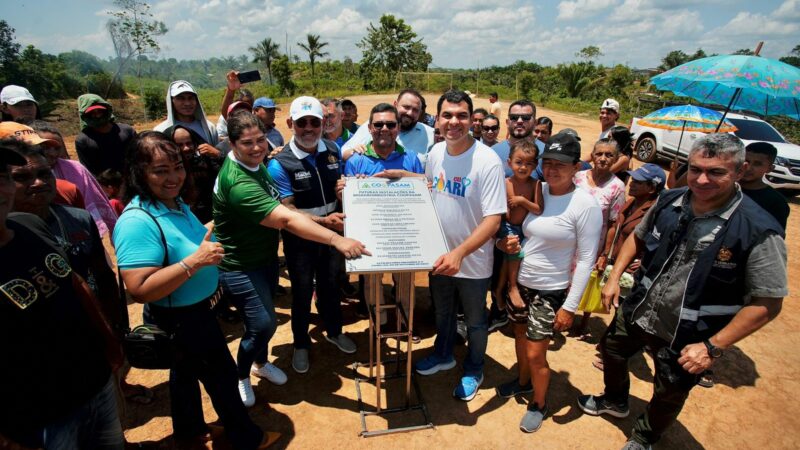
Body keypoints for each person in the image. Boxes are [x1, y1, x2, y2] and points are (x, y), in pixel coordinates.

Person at [578, 134, 787, 450]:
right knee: (612, 351)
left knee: (670, 388)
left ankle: (644, 437)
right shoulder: (668, 201)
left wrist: (711, 347)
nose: (702, 179)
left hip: (691, 333)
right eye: (695, 169)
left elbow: (768, 302)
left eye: (716, 172)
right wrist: (613, 277)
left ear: (741, 171)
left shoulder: (759, 229)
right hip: (640, 309)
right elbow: (638, 237)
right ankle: (615, 399)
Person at [113, 132, 281, 449]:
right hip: (179, 319)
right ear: (139, 172)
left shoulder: (173, 204)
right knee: (223, 378)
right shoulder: (137, 221)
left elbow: (189, 240)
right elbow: (140, 288)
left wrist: (220, 221)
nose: (173, 177)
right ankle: (247, 438)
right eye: (160, 170)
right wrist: (195, 261)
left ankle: (190, 433)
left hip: (194, 313)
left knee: (184, 378)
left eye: (177, 167)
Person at [214, 110, 368, 404]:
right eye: (247, 142)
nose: (257, 147)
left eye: (260, 139)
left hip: (266, 256)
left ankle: (262, 362)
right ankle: (243, 373)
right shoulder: (245, 178)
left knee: (325, 289)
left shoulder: (258, 164)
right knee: (266, 321)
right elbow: (285, 217)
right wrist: (335, 236)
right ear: (232, 144)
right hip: (244, 262)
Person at [0, 139, 124, 450]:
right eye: (21, 177)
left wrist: (111, 345)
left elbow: (77, 285)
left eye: (1, 178)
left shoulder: (28, 226)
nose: (37, 183)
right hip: (40, 414)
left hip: (94, 381)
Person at [496, 131, 602, 433]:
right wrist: (505, 246)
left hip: (550, 290)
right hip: (521, 284)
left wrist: (569, 306)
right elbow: (515, 226)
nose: (553, 169)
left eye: (562, 164)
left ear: (577, 168)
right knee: (519, 337)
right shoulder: (536, 189)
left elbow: (585, 259)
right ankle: (523, 383)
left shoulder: (585, 205)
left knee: (535, 352)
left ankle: (540, 403)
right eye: (549, 162)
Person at [414, 90, 506, 402]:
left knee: (476, 321)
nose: (454, 121)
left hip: (474, 262)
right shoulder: (437, 152)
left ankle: (474, 368)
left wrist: (460, 253)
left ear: (471, 120)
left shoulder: (487, 161)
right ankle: (443, 354)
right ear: (437, 119)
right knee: (443, 313)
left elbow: (493, 220)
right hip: (440, 256)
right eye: (448, 115)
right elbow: (431, 191)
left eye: (462, 115)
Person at [268, 96, 366, 374]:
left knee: (330, 286)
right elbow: (288, 211)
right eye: (302, 123)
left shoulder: (333, 149)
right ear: (291, 124)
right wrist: (325, 221)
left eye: (314, 122)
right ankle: (301, 344)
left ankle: (334, 331)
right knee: (301, 293)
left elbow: (344, 187)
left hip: (333, 235)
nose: (309, 128)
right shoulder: (280, 163)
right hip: (300, 241)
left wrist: (345, 192)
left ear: (324, 123)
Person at [590, 163, 665, 371]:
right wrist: (606, 253)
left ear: (652, 188)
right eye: (632, 180)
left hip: (635, 272)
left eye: (639, 182)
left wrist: (644, 261)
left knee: (625, 311)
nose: (631, 184)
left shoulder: (656, 210)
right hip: (618, 263)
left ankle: (613, 352)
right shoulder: (631, 202)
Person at [572, 138, 626, 336]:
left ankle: (584, 321)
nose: (603, 158)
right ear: (592, 155)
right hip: (570, 238)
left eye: (609, 155)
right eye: (599, 154)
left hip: (595, 243)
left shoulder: (617, 187)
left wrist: (605, 253)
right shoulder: (577, 177)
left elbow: (614, 223)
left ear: (616, 159)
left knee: (589, 279)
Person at [31, 120, 119, 234]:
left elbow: (93, 202)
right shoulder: (19, 174)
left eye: (57, 148)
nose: (52, 153)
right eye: (45, 147)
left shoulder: (76, 170)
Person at [492, 140, 543, 323]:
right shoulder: (505, 182)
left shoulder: (535, 184)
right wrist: (505, 208)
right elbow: (497, 207)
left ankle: (500, 289)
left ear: (535, 165)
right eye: (519, 162)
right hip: (507, 227)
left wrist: (522, 201)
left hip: (524, 229)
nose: (523, 167)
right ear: (509, 163)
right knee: (514, 251)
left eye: (529, 163)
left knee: (510, 258)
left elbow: (538, 208)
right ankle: (511, 287)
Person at [342, 89, 434, 163]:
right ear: (395, 104)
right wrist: (354, 151)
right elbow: (344, 152)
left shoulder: (430, 134)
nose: (410, 113)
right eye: (406, 107)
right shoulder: (374, 125)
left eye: (415, 110)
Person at [344, 103, 424, 177]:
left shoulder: (412, 159)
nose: (384, 129)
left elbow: (424, 187)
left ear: (399, 128)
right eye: (378, 125)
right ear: (369, 128)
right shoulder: (355, 162)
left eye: (391, 125)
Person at [165, 124, 223, 223]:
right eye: (179, 145)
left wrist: (218, 155)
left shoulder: (205, 162)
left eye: (189, 143)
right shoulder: (164, 172)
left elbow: (228, 175)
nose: (186, 148)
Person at [74, 94, 137, 176]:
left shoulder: (127, 131)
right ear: (86, 116)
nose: (97, 116)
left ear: (107, 111)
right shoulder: (83, 140)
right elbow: (89, 171)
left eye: (100, 111)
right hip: (105, 186)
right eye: (92, 113)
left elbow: (138, 159)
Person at [154, 80, 220, 148]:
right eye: (181, 98)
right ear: (171, 101)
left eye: (191, 98)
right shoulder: (161, 131)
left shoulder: (209, 128)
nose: (187, 103)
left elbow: (217, 153)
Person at [740, 142, 789, 230]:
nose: (749, 168)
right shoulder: (725, 189)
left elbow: (773, 238)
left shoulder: (776, 202)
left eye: (757, 164)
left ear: (770, 169)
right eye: (746, 161)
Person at [492, 100, 544, 177]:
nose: (519, 121)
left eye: (526, 118)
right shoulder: (493, 152)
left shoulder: (545, 154)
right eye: (514, 117)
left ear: (535, 123)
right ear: (507, 122)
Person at [218, 70, 256, 139]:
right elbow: (225, 111)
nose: (244, 111)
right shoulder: (234, 120)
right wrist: (231, 89)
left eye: (248, 107)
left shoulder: (255, 120)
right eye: (240, 106)